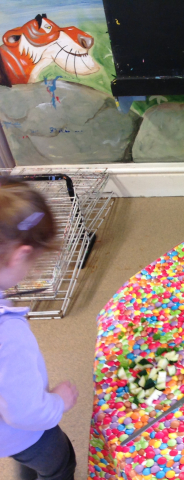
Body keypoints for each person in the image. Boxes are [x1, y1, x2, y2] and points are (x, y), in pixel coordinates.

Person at [0, 178, 78, 480]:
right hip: (21, 433)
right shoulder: (9, 335)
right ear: (20, 255)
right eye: (32, 262)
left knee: (28, 461)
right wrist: (58, 401)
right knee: (58, 464)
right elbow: (26, 413)